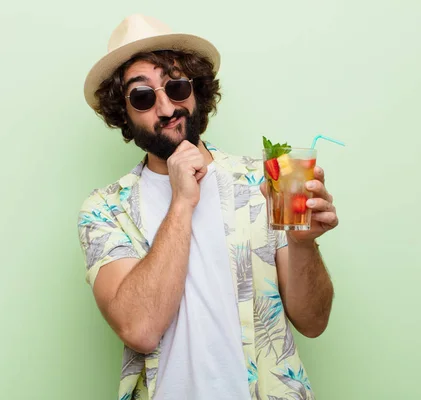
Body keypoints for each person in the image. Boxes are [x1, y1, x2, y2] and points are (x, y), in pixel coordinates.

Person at [77, 14, 339, 400]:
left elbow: (313, 322)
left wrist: (303, 244)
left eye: (176, 87)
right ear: (125, 114)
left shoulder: (262, 184)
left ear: (196, 91)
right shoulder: (105, 210)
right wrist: (182, 200)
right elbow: (140, 328)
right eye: (143, 96)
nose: (166, 108)